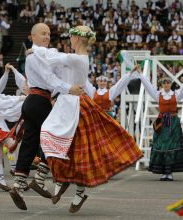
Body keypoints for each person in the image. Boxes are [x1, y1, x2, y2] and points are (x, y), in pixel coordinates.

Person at [34, 26, 143, 213]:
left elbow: (53, 58)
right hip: (68, 104)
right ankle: (61, 180)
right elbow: (57, 61)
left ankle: (76, 189)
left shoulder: (78, 59)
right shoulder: (75, 57)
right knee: (66, 144)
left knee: (79, 150)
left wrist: (34, 48)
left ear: (77, 39)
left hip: (78, 107)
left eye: (71, 36)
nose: (69, 39)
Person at [8, 23, 84, 211]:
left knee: (30, 142)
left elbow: (57, 71)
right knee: (56, 136)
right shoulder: (34, 55)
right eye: (43, 33)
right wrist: (69, 88)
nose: (47, 36)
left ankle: (18, 185)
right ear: (32, 36)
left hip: (35, 101)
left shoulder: (45, 54)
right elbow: (48, 79)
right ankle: (41, 178)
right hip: (39, 100)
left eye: (49, 33)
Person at [138, 72, 183, 181]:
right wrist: (140, 74)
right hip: (161, 121)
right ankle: (164, 172)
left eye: (168, 82)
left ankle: (169, 172)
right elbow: (148, 85)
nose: (166, 84)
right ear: (161, 84)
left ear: (171, 84)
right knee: (160, 145)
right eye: (164, 83)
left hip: (173, 122)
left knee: (171, 146)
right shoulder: (158, 94)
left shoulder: (176, 94)